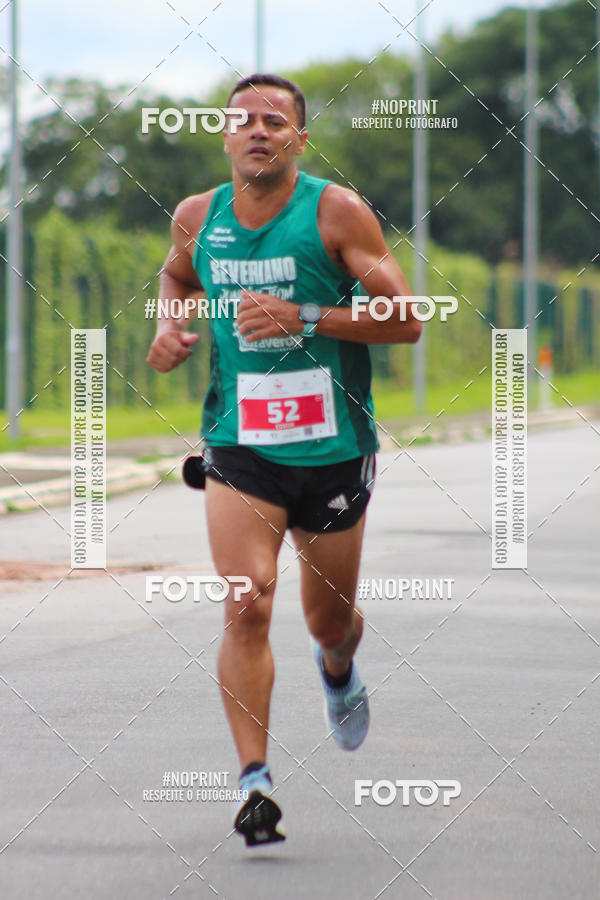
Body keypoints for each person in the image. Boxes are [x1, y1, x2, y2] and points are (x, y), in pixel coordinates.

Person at [147, 73, 421, 846]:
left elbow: (405, 320)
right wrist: (170, 328)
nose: (258, 130)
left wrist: (305, 314)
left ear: (300, 139)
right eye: (243, 120)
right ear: (225, 136)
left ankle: (337, 668)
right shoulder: (198, 216)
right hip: (241, 446)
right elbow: (176, 276)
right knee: (247, 600)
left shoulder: (335, 211)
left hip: (333, 448)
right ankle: (255, 781)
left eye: (275, 120)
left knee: (327, 619)